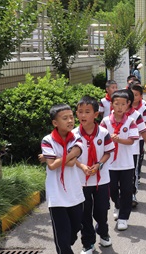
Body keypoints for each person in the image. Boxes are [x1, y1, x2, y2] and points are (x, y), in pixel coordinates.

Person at [41, 104, 84, 254]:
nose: (70, 121)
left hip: (74, 192)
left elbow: (72, 161)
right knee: (62, 238)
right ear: (55, 123)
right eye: (65, 118)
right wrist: (68, 155)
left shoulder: (77, 137)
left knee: (76, 227)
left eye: (71, 117)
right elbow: (52, 166)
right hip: (57, 195)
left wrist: (53, 158)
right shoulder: (47, 140)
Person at [73, 96, 115, 254]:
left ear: (96, 114)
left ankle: (104, 233)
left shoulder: (103, 133)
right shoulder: (73, 134)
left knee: (101, 210)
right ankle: (88, 243)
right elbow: (71, 156)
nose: (83, 115)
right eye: (80, 112)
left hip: (101, 180)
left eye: (87, 112)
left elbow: (108, 152)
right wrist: (82, 166)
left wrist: (99, 165)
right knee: (84, 214)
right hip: (81, 181)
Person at [100, 89, 141, 231]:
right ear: (111, 105)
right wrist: (108, 140)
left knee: (127, 190)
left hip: (126, 163)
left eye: (123, 104)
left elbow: (132, 140)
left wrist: (120, 140)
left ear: (127, 105)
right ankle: (117, 205)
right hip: (110, 164)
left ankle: (124, 217)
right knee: (112, 190)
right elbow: (99, 139)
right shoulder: (105, 121)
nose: (119, 107)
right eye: (116, 104)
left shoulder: (130, 122)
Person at [129, 83, 146, 207]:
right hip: (120, 147)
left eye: (136, 95)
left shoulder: (143, 109)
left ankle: (132, 193)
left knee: (134, 168)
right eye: (132, 95)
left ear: (140, 96)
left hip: (137, 141)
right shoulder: (119, 109)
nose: (134, 97)